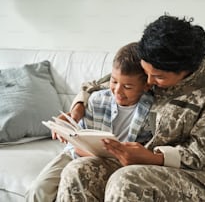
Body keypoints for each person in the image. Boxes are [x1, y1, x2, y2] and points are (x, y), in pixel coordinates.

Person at [57, 14, 205, 202]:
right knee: (77, 171)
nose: (149, 82)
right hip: (137, 162)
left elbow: (203, 156)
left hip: (191, 175)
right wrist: (77, 108)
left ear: (184, 71)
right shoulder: (153, 65)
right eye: (146, 73)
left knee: (126, 181)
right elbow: (98, 85)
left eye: (158, 77)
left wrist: (151, 158)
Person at [25, 42, 154, 202]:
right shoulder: (97, 99)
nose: (118, 91)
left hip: (119, 164)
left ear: (146, 85)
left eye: (127, 86)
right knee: (39, 189)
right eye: (114, 82)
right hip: (77, 154)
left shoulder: (152, 110)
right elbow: (77, 143)